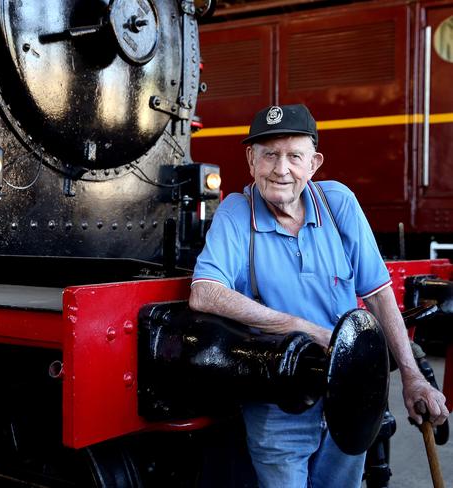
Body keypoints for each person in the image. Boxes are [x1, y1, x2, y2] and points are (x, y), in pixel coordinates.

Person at [189, 104, 449, 488]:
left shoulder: (338, 202)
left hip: (352, 393)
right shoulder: (236, 212)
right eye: (269, 155)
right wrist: (302, 328)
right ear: (250, 160)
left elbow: (378, 294)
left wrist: (412, 376)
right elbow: (204, 293)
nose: (281, 169)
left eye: (294, 156)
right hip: (280, 401)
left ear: (314, 163)